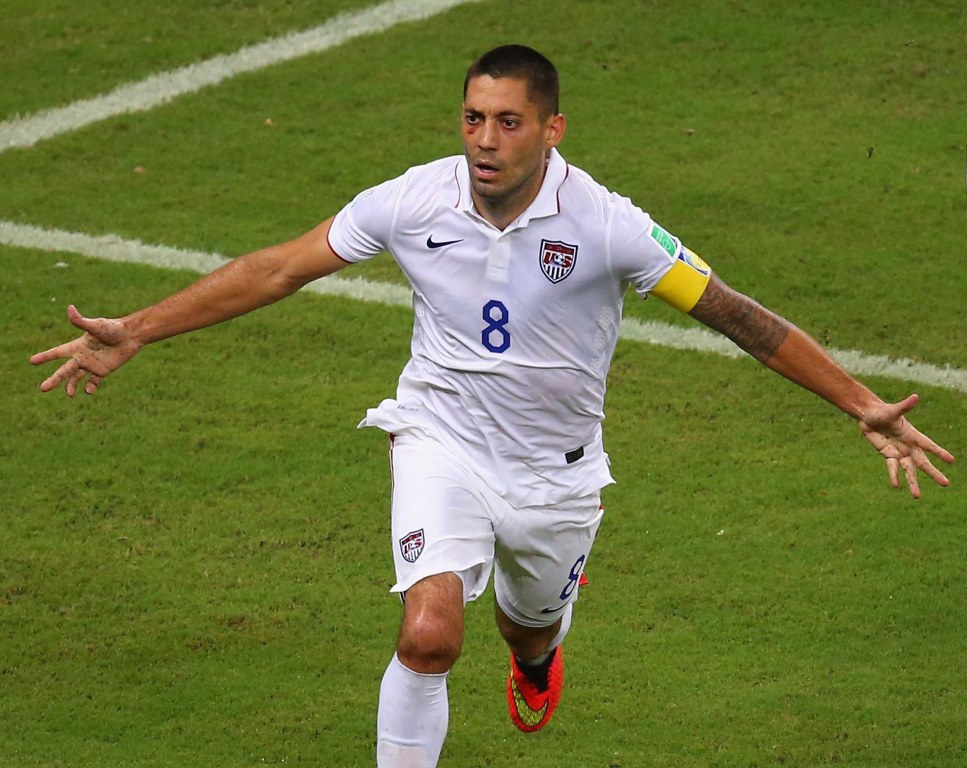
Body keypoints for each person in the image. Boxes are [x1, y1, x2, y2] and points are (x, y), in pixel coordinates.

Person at [31, 45, 953, 767]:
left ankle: (536, 657)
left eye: (507, 122)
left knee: (527, 622)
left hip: (554, 477)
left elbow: (737, 316)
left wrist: (857, 402)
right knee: (429, 634)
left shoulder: (607, 226)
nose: (483, 140)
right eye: (472, 118)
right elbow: (278, 267)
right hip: (440, 438)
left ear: (551, 130)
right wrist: (140, 328)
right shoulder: (411, 199)